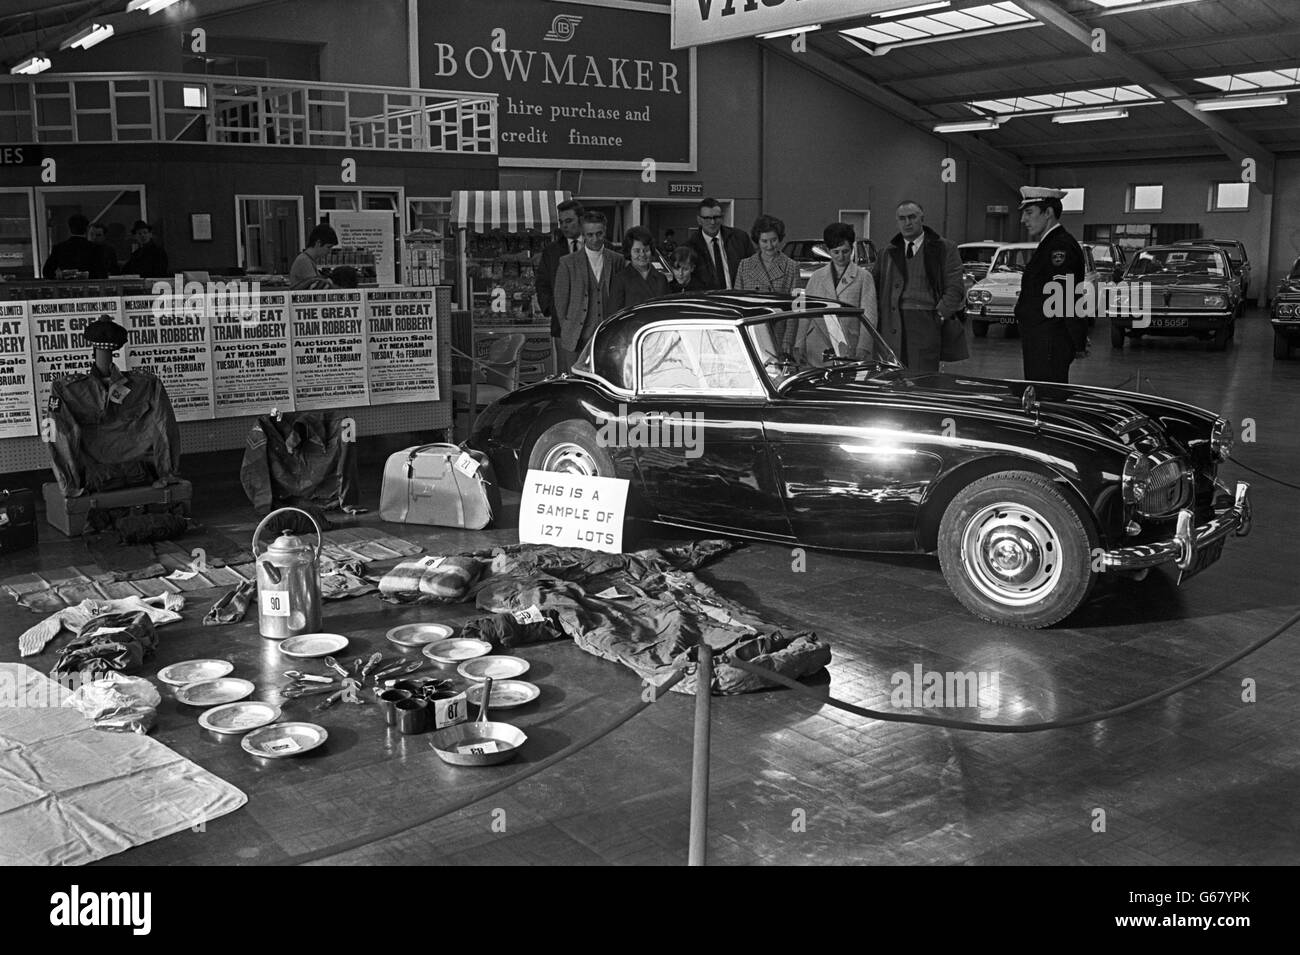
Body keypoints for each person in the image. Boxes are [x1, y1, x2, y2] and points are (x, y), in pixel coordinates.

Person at [873, 200, 965, 373]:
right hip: (891, 326)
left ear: (922, 218)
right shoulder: (886, 252)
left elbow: (955, 287)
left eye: (912, 217)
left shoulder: (945, 248)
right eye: (902, 218)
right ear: (897, 221)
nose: (907, 222)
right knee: (892, 381)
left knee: (923, 380)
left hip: (927, 324)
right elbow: (875, 288)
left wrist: (940, 314)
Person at [1014, 186, 1087, 383]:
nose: (1023, 220)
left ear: (1048, 213)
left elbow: (1066, 297)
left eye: (1029, 213)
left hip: (1049, 340)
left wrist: (1077, 340)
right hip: (1042, 339)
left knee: (1047, 398)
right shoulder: (1050, 244)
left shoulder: (1059, 247)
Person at [554, 211, 623, 369]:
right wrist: (569, 327)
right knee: (576, 381)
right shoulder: (568, 263)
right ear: (583, 234)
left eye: (599, 234)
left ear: (605, 231)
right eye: (590, 235)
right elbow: (560, 302)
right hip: (576, 337)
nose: (595, 239)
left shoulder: (616, 260)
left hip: (607, 335)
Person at [535, 200, 584, 374]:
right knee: (568, 374)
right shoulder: (552, 251)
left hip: (594, 323)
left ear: (581, 220)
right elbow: (542, 283)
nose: (564, 226)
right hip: (563, 324)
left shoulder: (601, 246)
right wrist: (552, 308)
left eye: (569, 221)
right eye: (561, 222)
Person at [685, 197, 755, 290]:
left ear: (722, 218)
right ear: (699, 220)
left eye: (716, 217)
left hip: (738, 297)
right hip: (707, 300)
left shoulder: (740, 238)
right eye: (707, 218)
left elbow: (754, 268)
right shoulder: (689, 247)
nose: (712, 222)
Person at [608, 226, 670, 312]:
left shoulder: (661, 278)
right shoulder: (620, 280)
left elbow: (667, 311)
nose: (642, 254)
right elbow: (613, 315)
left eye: (646, 250)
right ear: (629, 252)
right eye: (637, 251)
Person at [735, 214, 798, 294]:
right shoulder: (744, 265)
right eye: (764, 241)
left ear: (780, 238)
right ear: (758, 241)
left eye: (773, 240)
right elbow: (737, 300)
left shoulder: (791, 267)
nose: (770, 246)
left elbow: (797, 304)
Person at [42, 215, 107, 280]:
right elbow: (102, 273)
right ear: (87, 228)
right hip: (90, 287)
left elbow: (47, 272)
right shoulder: (96, 248)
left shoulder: (59, 248)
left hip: (66, 287)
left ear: (69, 228)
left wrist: (62, 275)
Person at [289, 224, 338, 289]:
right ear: (318, 243)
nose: (329, 251)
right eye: (328, 247)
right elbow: (317, 288)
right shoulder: (304, 261)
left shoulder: (308, 259)